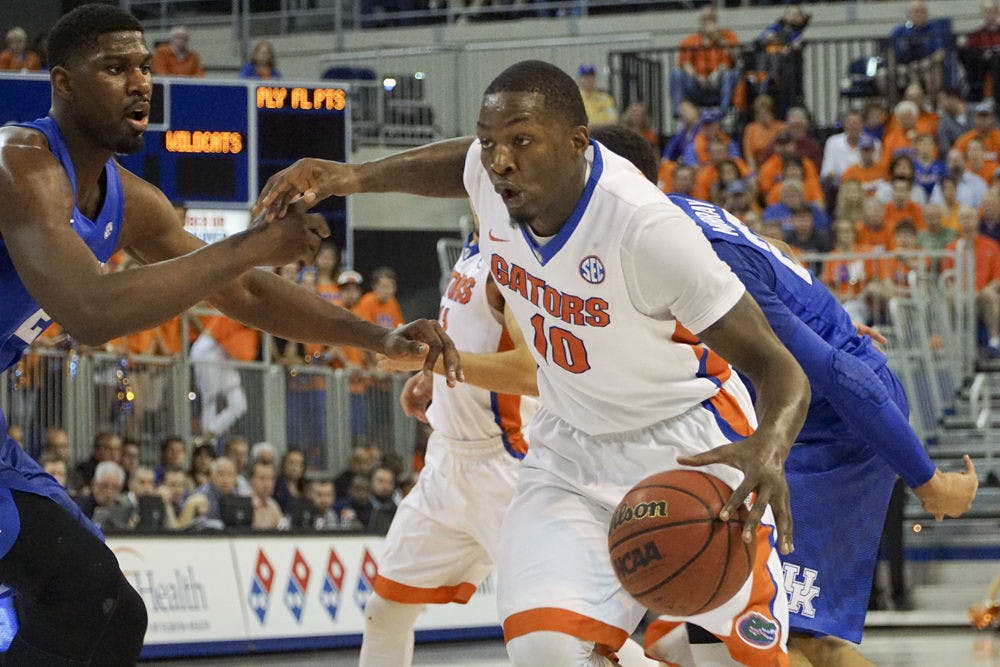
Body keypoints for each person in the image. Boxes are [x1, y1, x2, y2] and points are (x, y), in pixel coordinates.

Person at [255, 59, 813, 666]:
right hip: (566, 451)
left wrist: (770, 447)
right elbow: (459, 162)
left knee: (744, 660)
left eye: (521, 140)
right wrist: (351, 177)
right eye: (491, 141)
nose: (499, 161)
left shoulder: (647, 229)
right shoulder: (492, 182)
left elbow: (779, 369)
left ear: (578, 143)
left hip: (685, 448)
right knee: (544, 650)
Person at [0, 5, 457, 663]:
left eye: (144, 67)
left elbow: (240, 291)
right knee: (81, 598)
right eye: (115, 68)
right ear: (64, 84)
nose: (139, 82)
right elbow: (91, 312)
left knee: (105, 611)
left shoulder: (128, 200)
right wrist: (252, 245)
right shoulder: (21, 165)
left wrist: (373, 337)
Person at [534, 124, 979, 667]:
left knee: (797, 639)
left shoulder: (693, 247)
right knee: (705, 632)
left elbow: (835, 375)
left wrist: (926, 480)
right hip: (778, 421)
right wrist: (814, 311)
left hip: (834, 428)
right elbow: (780, 253)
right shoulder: (658, 219)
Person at [362, 210, 539, 666]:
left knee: (551, 639)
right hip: (446, 463)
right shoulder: (473, 245)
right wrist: (435, 380)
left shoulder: (517, 258)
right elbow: (469, 334)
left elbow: (530, 372)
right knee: (386, 610)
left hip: (506, 466)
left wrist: (432, 365)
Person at [670, 6, 740, 116]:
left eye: (711, 19)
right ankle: (679, 111)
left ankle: (722, 112)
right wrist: (698, 77)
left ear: (716, 21)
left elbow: (738, 57)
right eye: (705, 19)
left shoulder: (727, 35)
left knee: (731, 74)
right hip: (697, 85)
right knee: (676, 74)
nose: (708, 23)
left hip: (721, 83)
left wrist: (719, 39)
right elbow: (685, 64)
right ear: (700, 22)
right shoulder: (690, 40)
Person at [958, 0, 1000, 109]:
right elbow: (967, 61)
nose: (989, 14)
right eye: (986, 11)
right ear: (982, 14)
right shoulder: (974, 36)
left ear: (997, 13)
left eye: (992, 11)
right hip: (980, 78)